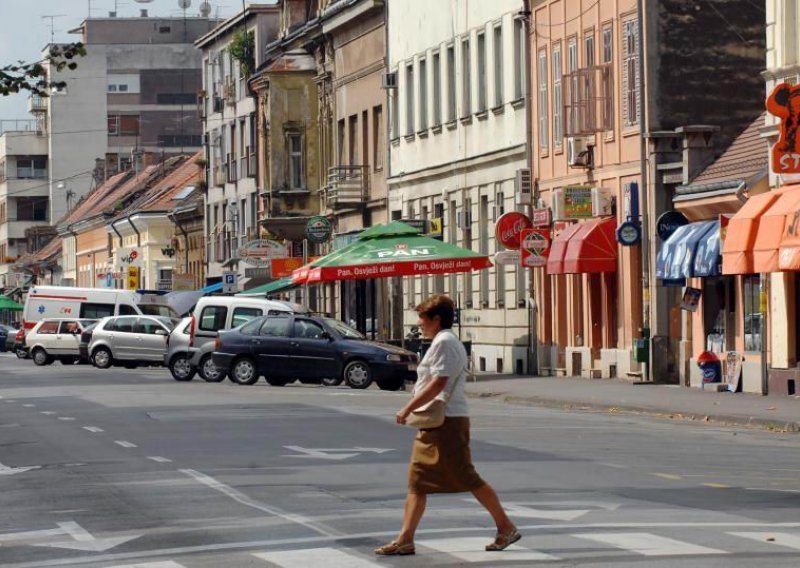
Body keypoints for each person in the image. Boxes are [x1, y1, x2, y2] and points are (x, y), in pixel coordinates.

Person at [375, 294, 519, 556]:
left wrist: (408, 407)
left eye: (422, 319)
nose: (419, 324)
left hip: (447, 421)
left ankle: (505, 526)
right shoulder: (443, 342)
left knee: (466, 475)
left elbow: (438, 383)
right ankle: (405, 538)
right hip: (438, 420)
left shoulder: (445, 342)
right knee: (417, 480)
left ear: (436, 319)